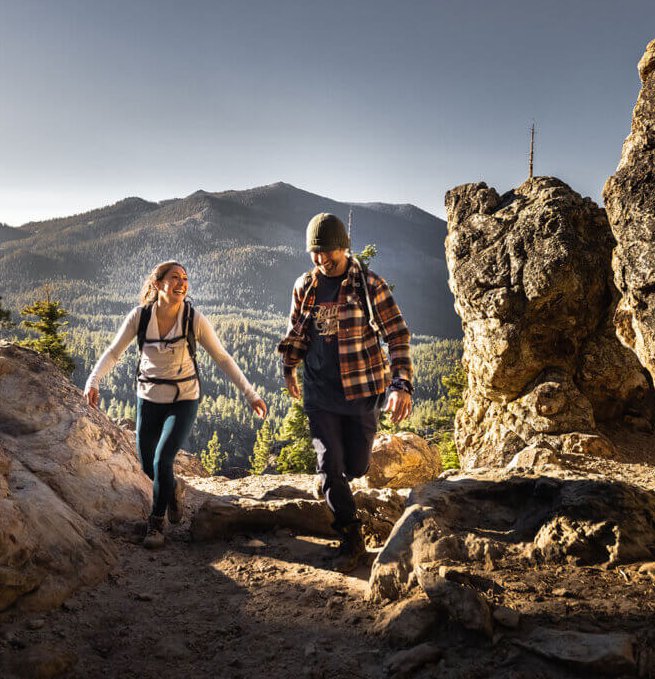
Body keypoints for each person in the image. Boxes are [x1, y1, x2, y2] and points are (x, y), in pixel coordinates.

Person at [85, 260, 267, 547]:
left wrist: (250, 394)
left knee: (162, 460)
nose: (182, 283)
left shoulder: (193, 319)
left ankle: (156, 525)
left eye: (185, 278)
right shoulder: (140, 317)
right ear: (158, 284)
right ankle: (174, 488)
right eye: (175, 278)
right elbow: (113, 352)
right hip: (148, 398)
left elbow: (222, 357)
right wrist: (93, 381)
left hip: (184, 399)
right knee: (148, 467)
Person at [278, 213, 413, 572]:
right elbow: (298, 333)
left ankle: (342, 481)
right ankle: (351, 538)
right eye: (315, 253)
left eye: (328, 253)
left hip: (362, 391)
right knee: (329, 465)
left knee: (356, 464)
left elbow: (397, 335)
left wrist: (401, 384)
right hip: (320, 394)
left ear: (343, 247)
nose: (322, 260)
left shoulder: (369, 284)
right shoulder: (304, 285)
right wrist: (289, 367)